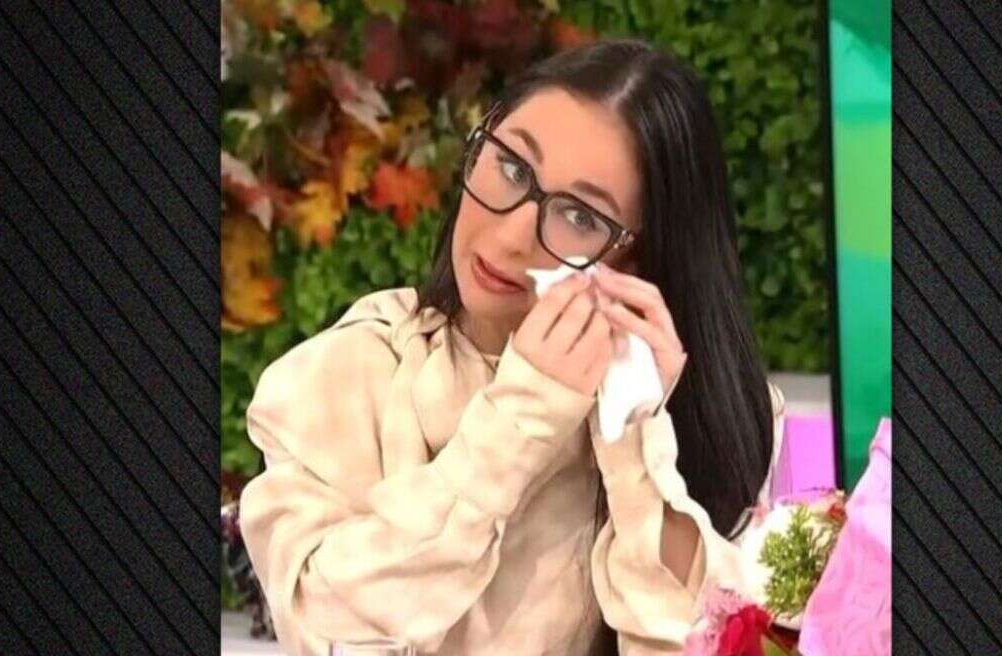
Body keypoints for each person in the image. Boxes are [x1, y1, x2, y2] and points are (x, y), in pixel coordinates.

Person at [239, 38, 786, 656]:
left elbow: (710, 641)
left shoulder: (722, 416)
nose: (511, 235)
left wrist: (637, 438)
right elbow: (328, 628)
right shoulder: (342, 375)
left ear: (634, 259)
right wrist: (522, 417)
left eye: (580, 216)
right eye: (514, 168)